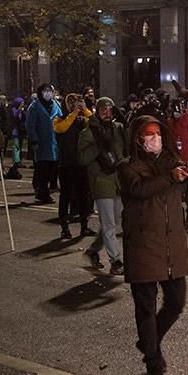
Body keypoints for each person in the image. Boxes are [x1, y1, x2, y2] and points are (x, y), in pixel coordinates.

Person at [118, 116, 188, 375]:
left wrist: (187, 171)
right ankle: (154, 364)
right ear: (138, 139)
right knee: (146, 309)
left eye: (157, 134)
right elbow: (141, 190)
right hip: (142, 244)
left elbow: (179, 177)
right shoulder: (128, 167)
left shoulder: (170, 161)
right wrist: (172, 176)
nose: (154, 139)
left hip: (171, 246)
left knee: (176, 302)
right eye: (148, 135)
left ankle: (148, 342)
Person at [78, 97, 127, 273]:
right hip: (101, 182)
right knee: (109, 225)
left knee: (115, 223)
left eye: (110, 110)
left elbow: (127, 148)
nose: (107, 113)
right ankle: (116, 261)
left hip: (118, 182)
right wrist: (97, 147)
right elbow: (82, 158)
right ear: (97, 111)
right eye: (103, 110)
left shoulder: (117, 129)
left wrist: (125, 122)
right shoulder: (89, 132)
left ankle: (92, 251)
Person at [54, 92, 95, 238]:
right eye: (70, 102)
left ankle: (84, 226)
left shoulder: (82, 119)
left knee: (84, 195)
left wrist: (85, 110)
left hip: (81, 163)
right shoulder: (59, 119)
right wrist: (73, 114)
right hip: (66, 163)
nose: (73, 105)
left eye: (75, 102)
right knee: (65, 195)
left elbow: (95, 124)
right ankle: (65, 228)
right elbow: (62, 128)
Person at [26, 84, 61, 205]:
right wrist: (34, 140)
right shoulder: (34, 106)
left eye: (50, 91)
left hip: (54, 142)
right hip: (41, 142)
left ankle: (44, 190)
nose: (48, 93)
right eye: (45, 91)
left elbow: (61, 118)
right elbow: (30, 125)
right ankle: (42, 192)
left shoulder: (55, 104)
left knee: (52, 167)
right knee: (42, 169)